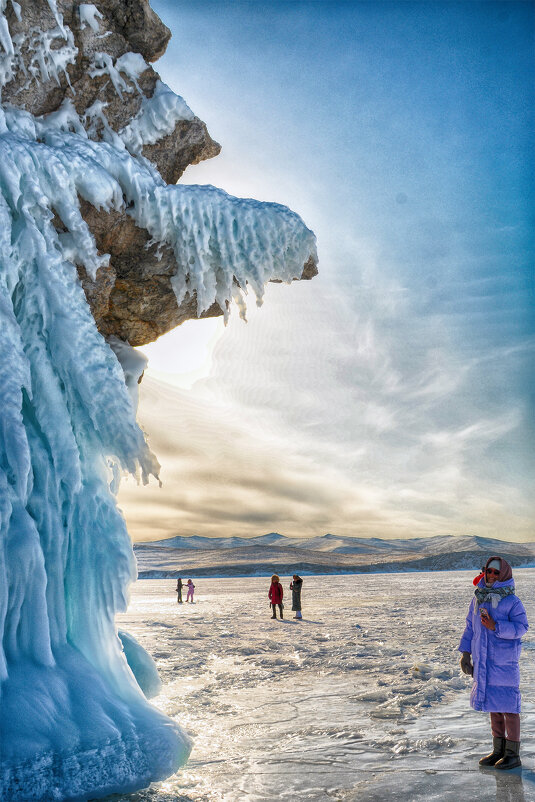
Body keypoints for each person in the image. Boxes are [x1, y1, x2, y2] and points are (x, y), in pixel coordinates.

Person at [459, 556, 529, 770]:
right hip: (484, 663)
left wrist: (495, 626)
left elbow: (521, 627)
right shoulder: (478, 599)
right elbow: (470, 627)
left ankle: (512, 754)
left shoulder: (512, 602)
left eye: (496, 573)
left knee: (509, 708)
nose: (491, 575)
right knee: (494, 708)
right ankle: (498, 750)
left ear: (504, 575)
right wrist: (465, 653)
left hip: (503, 664)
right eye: (489, 571)